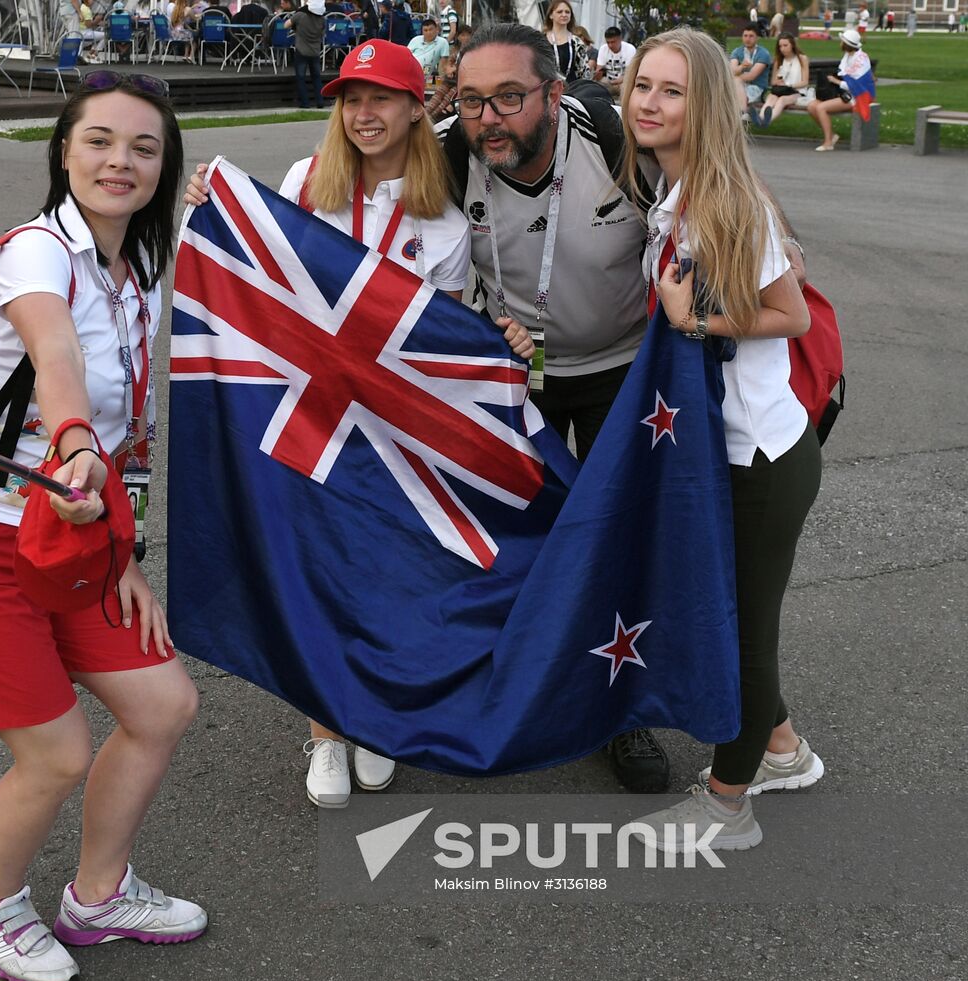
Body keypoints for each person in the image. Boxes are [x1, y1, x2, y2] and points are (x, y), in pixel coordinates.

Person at [0, 72, 204, 981]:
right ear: (62, 151)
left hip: (74, 538)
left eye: (144, 148)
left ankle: (98, 897)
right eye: (100, 140)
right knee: (56, 750)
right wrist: (69, 445)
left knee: (162, 706)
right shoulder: (36, 255)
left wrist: (126, 549)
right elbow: (55, 358)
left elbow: (128, 431)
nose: (121, 161)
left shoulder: (135, 272)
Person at [184, 40, 504, 808]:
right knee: (318, 571)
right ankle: (326, 729)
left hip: (394, 433)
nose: (364, 114)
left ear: (416, 106)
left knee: (389, 573)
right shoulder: (301, 182)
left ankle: (375, 719)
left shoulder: (447, 221)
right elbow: (258, 282)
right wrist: (214, 205)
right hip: (308, 415)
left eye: (381, 99)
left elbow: (444, 337)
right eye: (350, 99)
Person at [441, 22, 672, 792]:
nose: (489, 119)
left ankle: (625, 712)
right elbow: (342, 200)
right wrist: (224, 199)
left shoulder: (611, 140)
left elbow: (714, 201)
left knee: (618, 539)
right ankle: (504, 686)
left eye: (509, 97)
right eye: (473, 100)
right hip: (513, 375)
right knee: (500, 539)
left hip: (621, 372)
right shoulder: (446, 153)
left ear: (554, 92)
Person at [621, 27, 822, 852]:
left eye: (672, 91)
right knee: (735, 614)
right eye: (642, 86)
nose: (650, 103)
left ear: (704, 106)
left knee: (741, 630)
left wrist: (691, 318)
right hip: (717, 449)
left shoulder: (726, 200)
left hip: (760, 458)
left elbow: (791, 314)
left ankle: (726, 807)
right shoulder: (672, 194)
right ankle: (783, 751)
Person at [806, 27, 871, 152]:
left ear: (847, 44)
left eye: (842, 41)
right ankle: (831, 135)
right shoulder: (848, 56)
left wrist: (837, 82)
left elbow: (856, 85)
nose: (840, 43)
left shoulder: (860, 60)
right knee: (811, 106)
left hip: (856, 97)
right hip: (844, 94)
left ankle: (828, 143)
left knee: (821, 107)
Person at [755, 31, 811, 126]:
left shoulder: (802, 58)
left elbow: (805, 82)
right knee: (771, 98)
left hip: (797, 92)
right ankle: (760, 118)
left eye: (785, 45)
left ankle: (766, 121)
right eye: (780, 46)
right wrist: (778, 82)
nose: (782, 49)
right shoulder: (779, 60)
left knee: (782, 100)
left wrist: (789, 85)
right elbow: (773, 81)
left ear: (792, 45)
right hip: (781, 90)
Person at [289, 0, 325, 109]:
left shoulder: (300, 16)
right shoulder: (322, 20)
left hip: (301, 50)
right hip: (315, 51)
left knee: (301, 77)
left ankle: (305, 103)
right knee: (317, 78)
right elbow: (323, 33)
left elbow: (286, 24)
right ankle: (320, 101)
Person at [729, 23, 772, 113]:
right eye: (745, 36)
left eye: (751, 36)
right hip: (738, 85)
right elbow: (732, 71)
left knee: (734, 88)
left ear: (757, 38)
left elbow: (751, 76)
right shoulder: (737, 51)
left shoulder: (763, 54)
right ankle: (741, 116)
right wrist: (741, 66)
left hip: (757, 88)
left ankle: (742, 113)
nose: (747, 39)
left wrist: (736, 77)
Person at [541, 0, 587, 82]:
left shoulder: (577, 42)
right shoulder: (540, 40)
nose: (564, 15)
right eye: (559, 12)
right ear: (551, 15)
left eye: (567, 12)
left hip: (572, 89)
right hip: (547, 88)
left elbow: (583, 71)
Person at [595, 24, 635, 96]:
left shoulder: (630, 49)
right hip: (608, 81)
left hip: (623, 81)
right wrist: (598, 74)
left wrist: (614, 82)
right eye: (608, 42)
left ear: (620, 39)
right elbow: (599, 70)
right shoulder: (603, 49)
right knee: (598, 86)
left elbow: (629, 74)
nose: (610, 45)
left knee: (626, 86)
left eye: (613, 42)